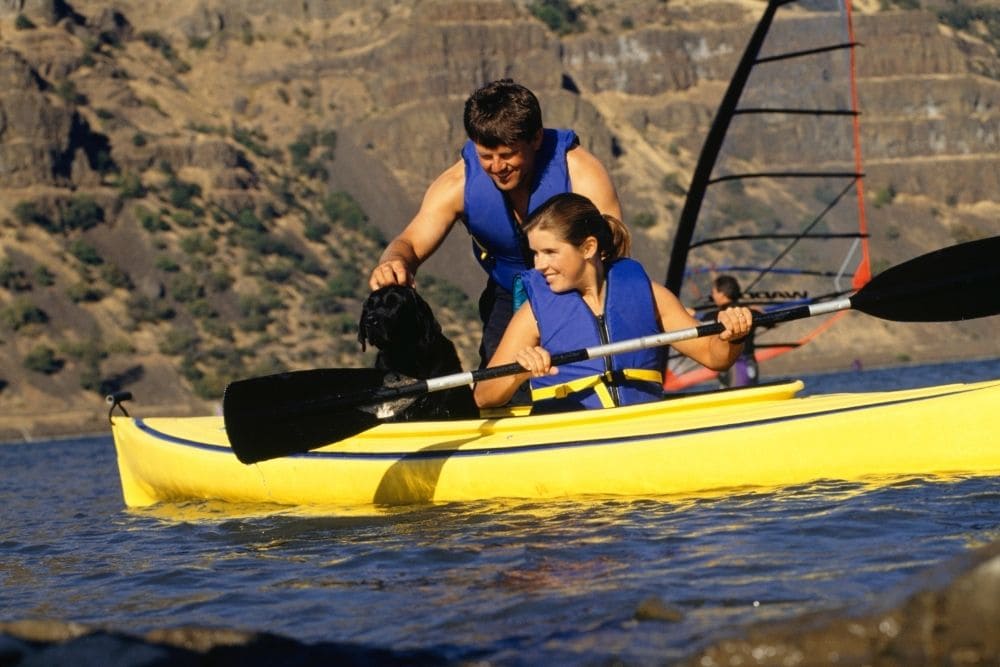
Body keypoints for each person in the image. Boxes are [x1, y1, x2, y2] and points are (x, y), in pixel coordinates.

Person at [367, 79, 622, 371]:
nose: (497, 167)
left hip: (579, 293)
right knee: (496, 386)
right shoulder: (458, 184)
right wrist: (393, 262)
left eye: (507, 154)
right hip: (507, 296)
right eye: (486, 156)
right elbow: (409, 243)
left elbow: (615, 252)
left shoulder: (582, 173)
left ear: (536, 139)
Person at [473, 193, 753, 412]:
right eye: (535, 253)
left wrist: (732, 336)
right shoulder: (533, 312)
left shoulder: (649, 295)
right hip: (570, 445)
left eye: (549, 252)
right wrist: (518, 374)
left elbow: (715, 357)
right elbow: (484, 396)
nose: (539, 265)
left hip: (639, 429)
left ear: (588, 248)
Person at [702, 275, 760, 387]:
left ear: (722, 294)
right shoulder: (750, 312)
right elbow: (773, 323)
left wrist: (690, 315)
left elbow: (699, 324)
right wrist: (759, 312)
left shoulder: (713, 316)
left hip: (732, 365)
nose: (712, 296)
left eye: (714, 292)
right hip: (750, 363)